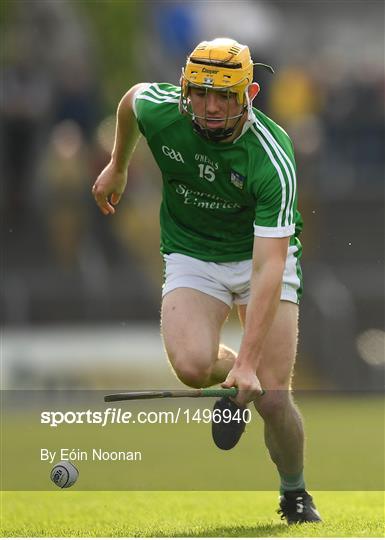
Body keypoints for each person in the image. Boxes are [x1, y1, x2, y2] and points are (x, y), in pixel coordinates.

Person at [92, 37, 321, 524]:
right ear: (184, 88)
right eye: (199, 93)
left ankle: (294, 493)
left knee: (276, 397)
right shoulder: (164, 111)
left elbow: (268, 267)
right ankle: (237, 378)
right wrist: (118, 165)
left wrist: (255, 363)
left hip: (258, 260)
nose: (211, 107)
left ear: (250, 94)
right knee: (194, 367)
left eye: (225, 96)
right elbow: (131, 99)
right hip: (193, 253)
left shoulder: (271, 156)